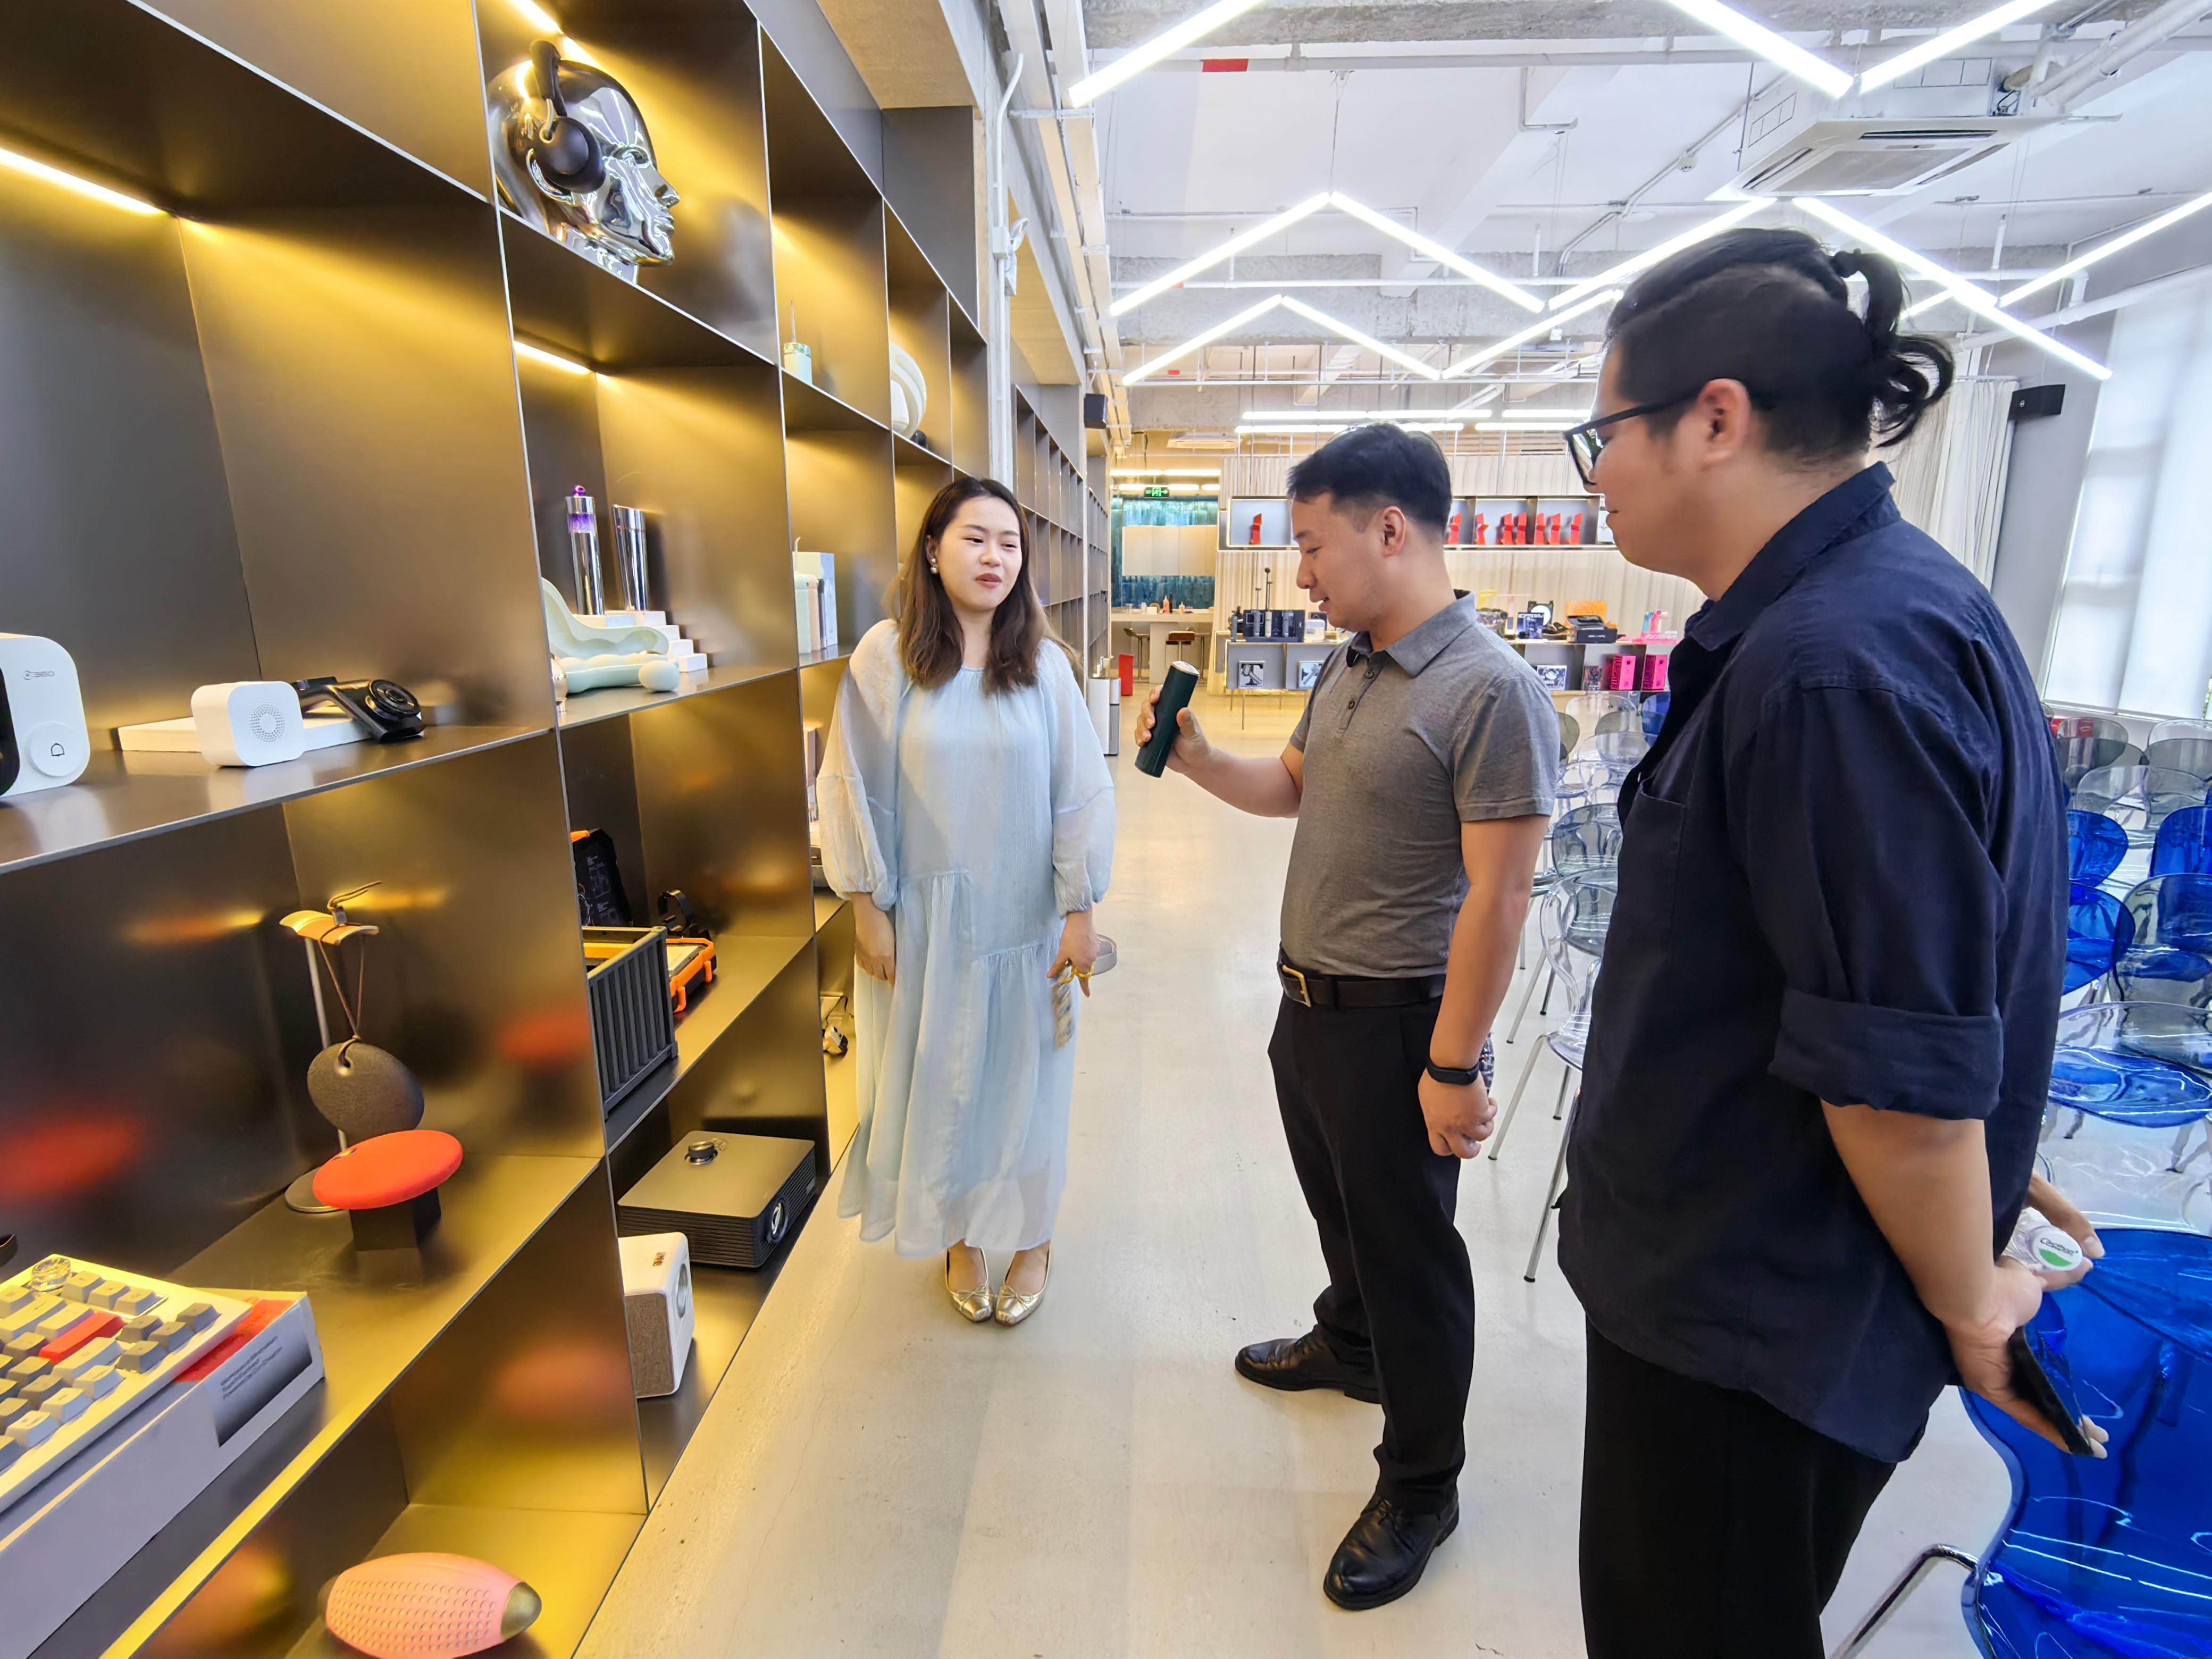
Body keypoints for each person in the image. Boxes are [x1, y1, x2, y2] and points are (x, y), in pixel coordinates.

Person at [1555, 228, 2090, 1658]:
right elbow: (1890, 971)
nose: (1596, 473)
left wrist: (1976, 1294)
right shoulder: (1868, 613)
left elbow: (1891, 1081)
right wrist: (1989, 1146)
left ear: (1714, 419)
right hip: (1748, 1276)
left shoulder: (1832, 665)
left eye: (1604, 434)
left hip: (1747, 1321)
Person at [1137, 424, 1557, 1610]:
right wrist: (1198, 758)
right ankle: (1352, 1342)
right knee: (1343, 1215)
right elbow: (1292, 788)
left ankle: (1422, 1484)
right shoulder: (1350, 666)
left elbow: (1501, 898)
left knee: (1413, 1259)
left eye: (1314, 545)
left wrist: (1453, 1066)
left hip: (1401, 1028)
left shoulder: (1493, 689)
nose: (1302, 571)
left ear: (1389, 529)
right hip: (1309, 1005)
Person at [817, 477, 1113, 1327]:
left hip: (1027, 922)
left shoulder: (1045, 666)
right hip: (928, 924)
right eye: (975, 538)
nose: (994, 557)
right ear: (932, 549)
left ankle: (1034, 1239)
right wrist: (866, 908)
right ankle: (960, 1236)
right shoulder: (887, 657)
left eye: (1010, 543)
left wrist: (1082, 911)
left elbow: (1079, 793)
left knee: (1030, 1084)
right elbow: (851, 783)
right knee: (944, 1085)